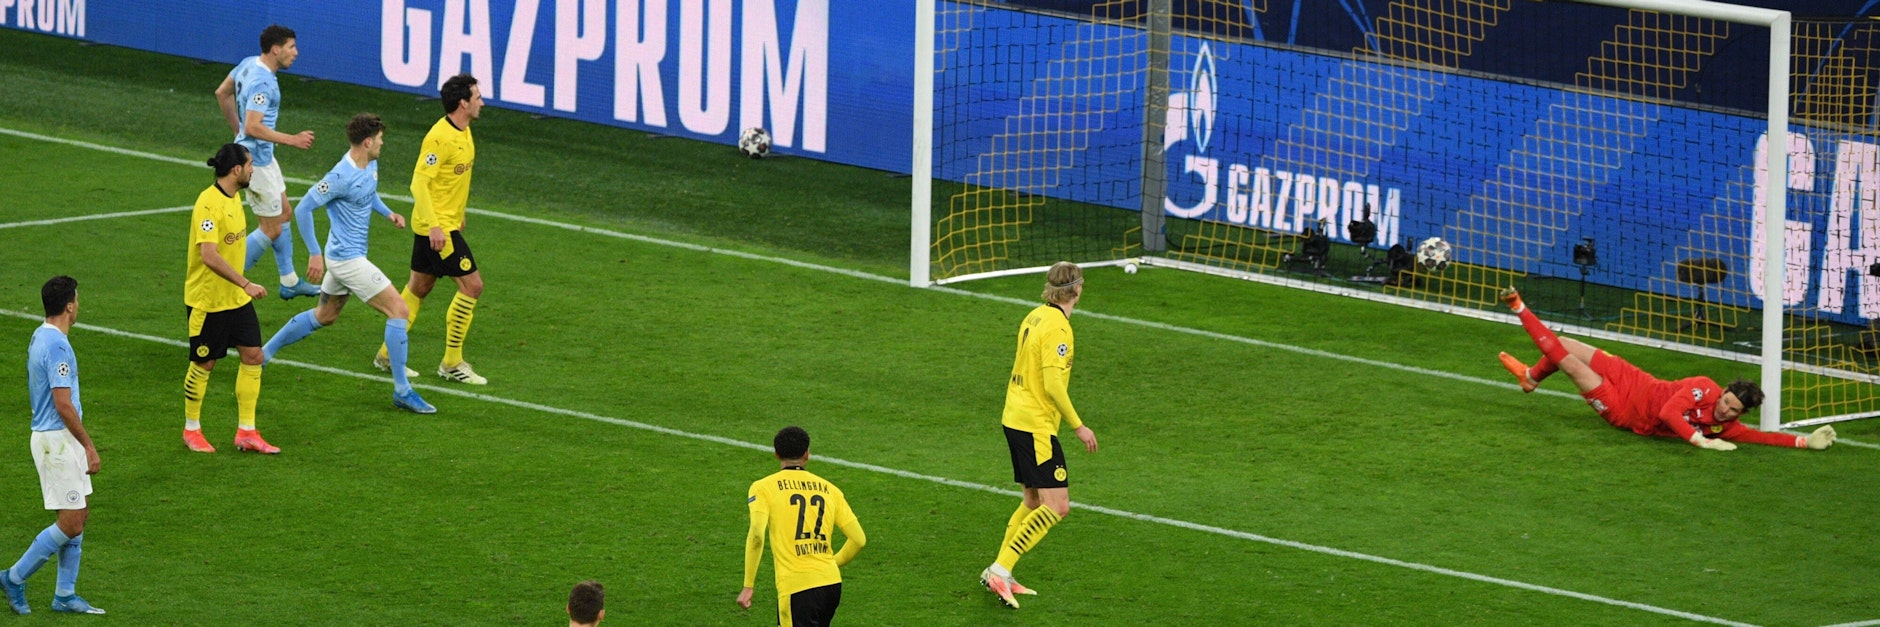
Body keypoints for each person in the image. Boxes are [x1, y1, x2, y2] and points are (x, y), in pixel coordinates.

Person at [1498, 286, 1835, 450]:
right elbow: (1672, 411)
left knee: (1567, 361)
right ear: (1724, 391)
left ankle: (1518, 307)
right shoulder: (1704, 387)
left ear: (1740, 414)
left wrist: (1803, 442)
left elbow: (1760, 437)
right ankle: (1530, 378)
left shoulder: (1728, 428)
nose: (1723, 409)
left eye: (1732, 410)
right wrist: (1699, 441)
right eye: (1725, 400)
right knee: (1566, 342)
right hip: (1638, 381)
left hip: (1626, 412)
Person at [261, 113, 435, 414]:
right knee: (399, 310)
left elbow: (368, 194)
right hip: (346, 260)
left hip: (347, 257)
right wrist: (314, 253)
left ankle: (262, 354)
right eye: (379, 139)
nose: (382, 143)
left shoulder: (371, 164)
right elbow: (303, 209)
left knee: (324, 315)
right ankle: (402, 390)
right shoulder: (340, 176)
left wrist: (387, 213)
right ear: (367, 142)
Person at [980, 261, 1099, 610]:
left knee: (1033, 500)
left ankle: (1000, 571)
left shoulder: (1033, 316)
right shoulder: (1059, 329)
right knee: (1057, 507)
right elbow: (1053, 386)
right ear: (1076, 289)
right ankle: (1001, 569)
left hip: (1014, 416)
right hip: (1034, 426)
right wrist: (1078, 426)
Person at [374, 73, 488, 385]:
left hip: (444, 223)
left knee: (419, 288)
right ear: (463, 103)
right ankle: (452, 363)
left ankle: (386, 354)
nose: (482, 101)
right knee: (472, 286)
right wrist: (437, 225)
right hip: (437, 230)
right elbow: (419, 183)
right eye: (477, 97)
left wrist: (459, 211)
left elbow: (453, 181)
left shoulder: (463, 131)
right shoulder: (440, 137)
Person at [0, 277, 104, 616]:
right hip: (56, 441)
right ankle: (14, 577)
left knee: (79, 514)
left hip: (59, 439)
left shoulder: (41, 334)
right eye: (77, 298)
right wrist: (88, 446)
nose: (79, 304)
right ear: (69, 306)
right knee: (72, 521)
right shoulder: (57, 345)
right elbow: (63, 404)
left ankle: (64, 596)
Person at [182, 144, 277, 454]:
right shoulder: (208, 205)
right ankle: (192, 429)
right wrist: (246, 282)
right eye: (249, 165)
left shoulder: (235, 199)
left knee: (254, 356)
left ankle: (247, 431)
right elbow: (208, 255)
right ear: (236, 170)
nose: (252, 170)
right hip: (208, 301)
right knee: (204, 362)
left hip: (236, 299)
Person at [213, 24, 319, 300]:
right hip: (255, 164)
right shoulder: (263, 82)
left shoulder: (248, 64)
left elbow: (222, 92)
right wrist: (292, 140)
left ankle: (289, 281)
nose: (296, 53)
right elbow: (254, 126)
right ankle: (226, 278)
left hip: (263, 158)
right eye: (291, 47)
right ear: (276, 49)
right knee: (271, 228)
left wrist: (237, 131)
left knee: (284, 213)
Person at [738, 426, 865, 627]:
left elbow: (756, 535)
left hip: (797, 588)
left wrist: (748, 585)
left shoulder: (763, 488)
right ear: (807, 454)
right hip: (831, 584)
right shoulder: (830, 489)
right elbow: (859, 539)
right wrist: (832, 563)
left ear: (776, 454)